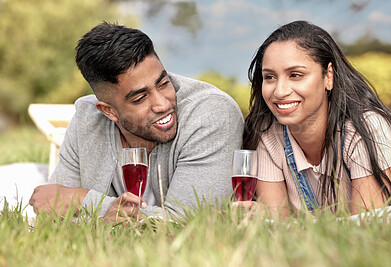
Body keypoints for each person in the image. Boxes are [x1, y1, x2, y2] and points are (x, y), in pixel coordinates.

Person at [29, 22, 244, 222]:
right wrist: (95, 213)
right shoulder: (87, 118)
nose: (162, 104)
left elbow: (187, 224)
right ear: (109, 111)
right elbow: (54, 209)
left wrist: (83, 200)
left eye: (163, 83)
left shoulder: (212, 114)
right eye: (140, 98)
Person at [237, 20, 391, 217]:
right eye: (270, 77)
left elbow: (366, 229)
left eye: (296, 75)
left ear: (328, 76)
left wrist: (286, 226)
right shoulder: (267, 135)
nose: (279, 91)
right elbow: (277, 231)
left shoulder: (366, 129)